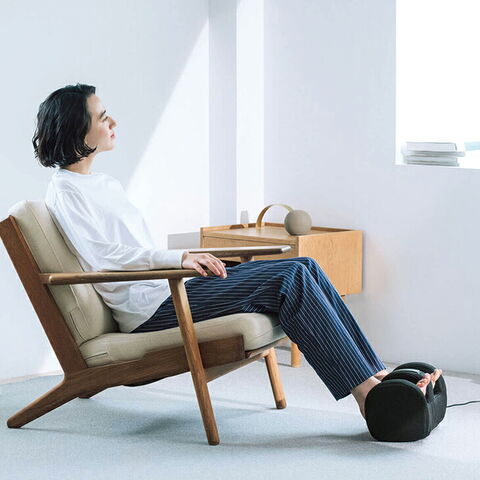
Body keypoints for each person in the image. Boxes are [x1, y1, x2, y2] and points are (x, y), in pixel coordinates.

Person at [34, 83, 442, 421]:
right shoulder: (66, 192)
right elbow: (104, 256)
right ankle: (368, 396)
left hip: (170, 290)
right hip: (151, 310)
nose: (113, 122)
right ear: (77, 131)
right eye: (102, 117)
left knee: (305, 265)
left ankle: (378, 377)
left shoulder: (103, 184)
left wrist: (184, 263)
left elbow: (130, 249)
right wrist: (180, 259)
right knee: (290, 278)